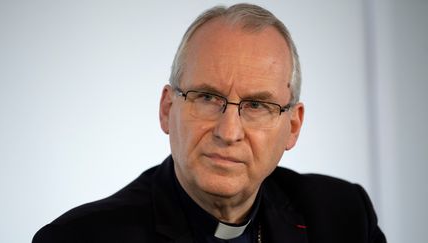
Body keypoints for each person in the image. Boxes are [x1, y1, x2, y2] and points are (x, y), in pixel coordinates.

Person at [33, 3, 386, 243]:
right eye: (206, 98)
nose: (228, 132)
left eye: (256, 105)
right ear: (167, 109)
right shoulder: (79, 237)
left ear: (292, 127)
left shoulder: (343, 217)